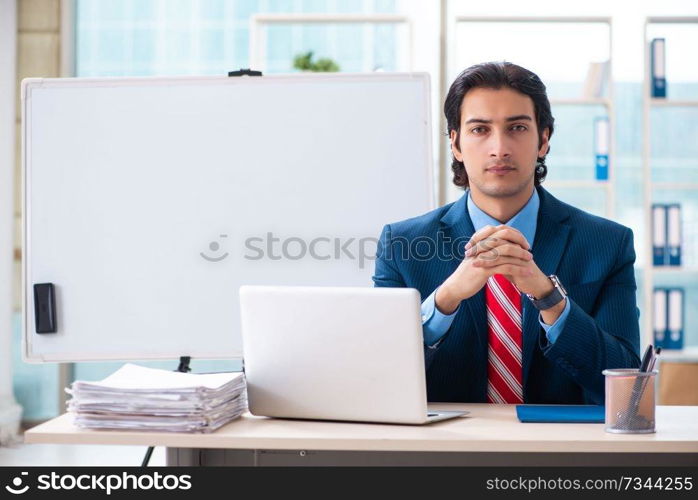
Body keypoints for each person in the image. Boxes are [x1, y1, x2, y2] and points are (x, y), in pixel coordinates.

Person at [373, 61, 640, 405]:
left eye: (516, 127)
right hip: (444, 451)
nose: (499, 148)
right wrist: (446, 299)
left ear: (543, 139)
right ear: (455, 144)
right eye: (480, 130)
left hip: (560, 451)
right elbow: (378, 378)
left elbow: (628, 389)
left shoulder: (607, 244)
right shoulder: (402, 245)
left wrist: (549, 297)